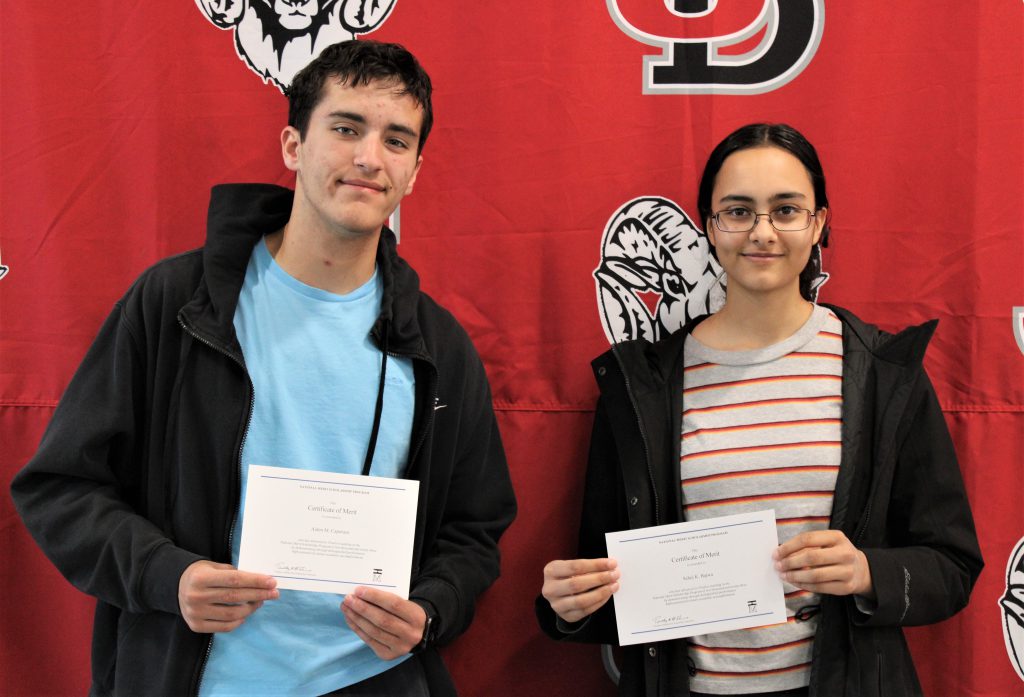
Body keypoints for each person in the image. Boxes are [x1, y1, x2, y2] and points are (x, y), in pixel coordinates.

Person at [11, 40, 516, 697]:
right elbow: (61, 488)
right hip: (200, 678)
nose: (369, 157)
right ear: (292, 146)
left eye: (397, 140)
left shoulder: (438, 344)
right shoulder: (176, 304)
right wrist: (170, 576)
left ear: (414, 171)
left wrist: (431, 609)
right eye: (345, 128)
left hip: (373, 678)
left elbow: (474, 533)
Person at [536, 123, 982, 697]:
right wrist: (570, 606)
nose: (763, 232)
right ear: (710, 226)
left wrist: (867, 572)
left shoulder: (882, 373)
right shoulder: (638, 386)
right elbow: (616, 587)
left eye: (787, 209)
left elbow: (952, 566)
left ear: (818, 222)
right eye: (739, 211)